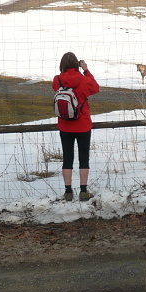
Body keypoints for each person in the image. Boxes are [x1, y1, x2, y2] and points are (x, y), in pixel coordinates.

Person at [52, 52, 100, 201]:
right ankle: (84, 191)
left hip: (65, 125)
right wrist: (85, 70)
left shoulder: (57, 80)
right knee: (83, 158)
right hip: (83, 124)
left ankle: (68, 191)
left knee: (67, 158)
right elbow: (95, 87)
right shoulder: (84, 80)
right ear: (76, 64)